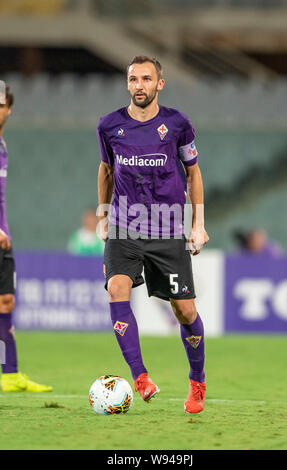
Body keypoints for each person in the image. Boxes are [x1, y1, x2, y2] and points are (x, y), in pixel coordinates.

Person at [97, 56, 209, 414]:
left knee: (185, 310)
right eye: (133, 79)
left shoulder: (177, 124)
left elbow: (193, 172)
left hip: (166, 227)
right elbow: (105, 169)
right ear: (128, 84)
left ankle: (197, 380)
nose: (139, 85)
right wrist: (103, 215)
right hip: (125, 226)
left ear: (160, 83)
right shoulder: (109, 125)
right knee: (117, 288)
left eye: (147, 79)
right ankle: (140, 377)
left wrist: (198, 224)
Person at [0, 82, 52, 392]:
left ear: (9, 109)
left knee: (6, 301)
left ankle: (10, 374)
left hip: (4, 239)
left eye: (2, 104)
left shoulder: (3, 147)